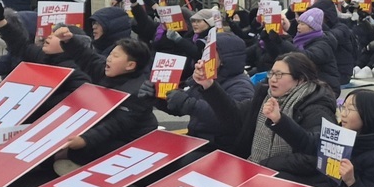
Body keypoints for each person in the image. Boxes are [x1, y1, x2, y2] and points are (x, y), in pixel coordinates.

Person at [194, 51, 337, 165]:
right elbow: (234, 116)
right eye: (272, 73)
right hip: (254, 166)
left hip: (292, 179)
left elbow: (315, 149)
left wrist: (280, 121)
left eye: (279, 75)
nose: (272, 79)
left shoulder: (317, 105)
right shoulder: (265, 95)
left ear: (300, 79)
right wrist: (209, 86)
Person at [52, 30, 159, 174]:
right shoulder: (108, 71)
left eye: (115, 56)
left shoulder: (137, 92)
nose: (109, 59)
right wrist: (69, 40)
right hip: (108, 128)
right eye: (110, 54)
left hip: (133, 139)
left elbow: (114, 125)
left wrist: (85, 140)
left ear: (130, 65)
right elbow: (87, 57)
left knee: (87, 150)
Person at [161, 31, 253, 151]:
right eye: (205, 52)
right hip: (197, 141)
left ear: (225, 58)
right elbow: (179, 108)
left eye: (210, 53)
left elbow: (232, 121)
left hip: (220, 149)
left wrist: (189, 104)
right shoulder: (206, 77)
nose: (205, 57)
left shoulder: (241, 86)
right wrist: (157, 97)